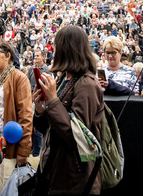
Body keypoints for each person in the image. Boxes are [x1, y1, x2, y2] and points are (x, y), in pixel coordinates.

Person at [33, 25, 104, 195]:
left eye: (57, 46)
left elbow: (76, 137)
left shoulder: (87, 84)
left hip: (75, 179)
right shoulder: (63, 79)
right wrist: (40, 108)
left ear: (67, 49)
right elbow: (50, 129)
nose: (54, 50)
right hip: (54, 171)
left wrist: (53, 100)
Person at [0, 41, 32, 194]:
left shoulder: (18, 78)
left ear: (8, 56)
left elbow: (25, 115)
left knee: (3, 188)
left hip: (6, 147)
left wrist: (23, 150)